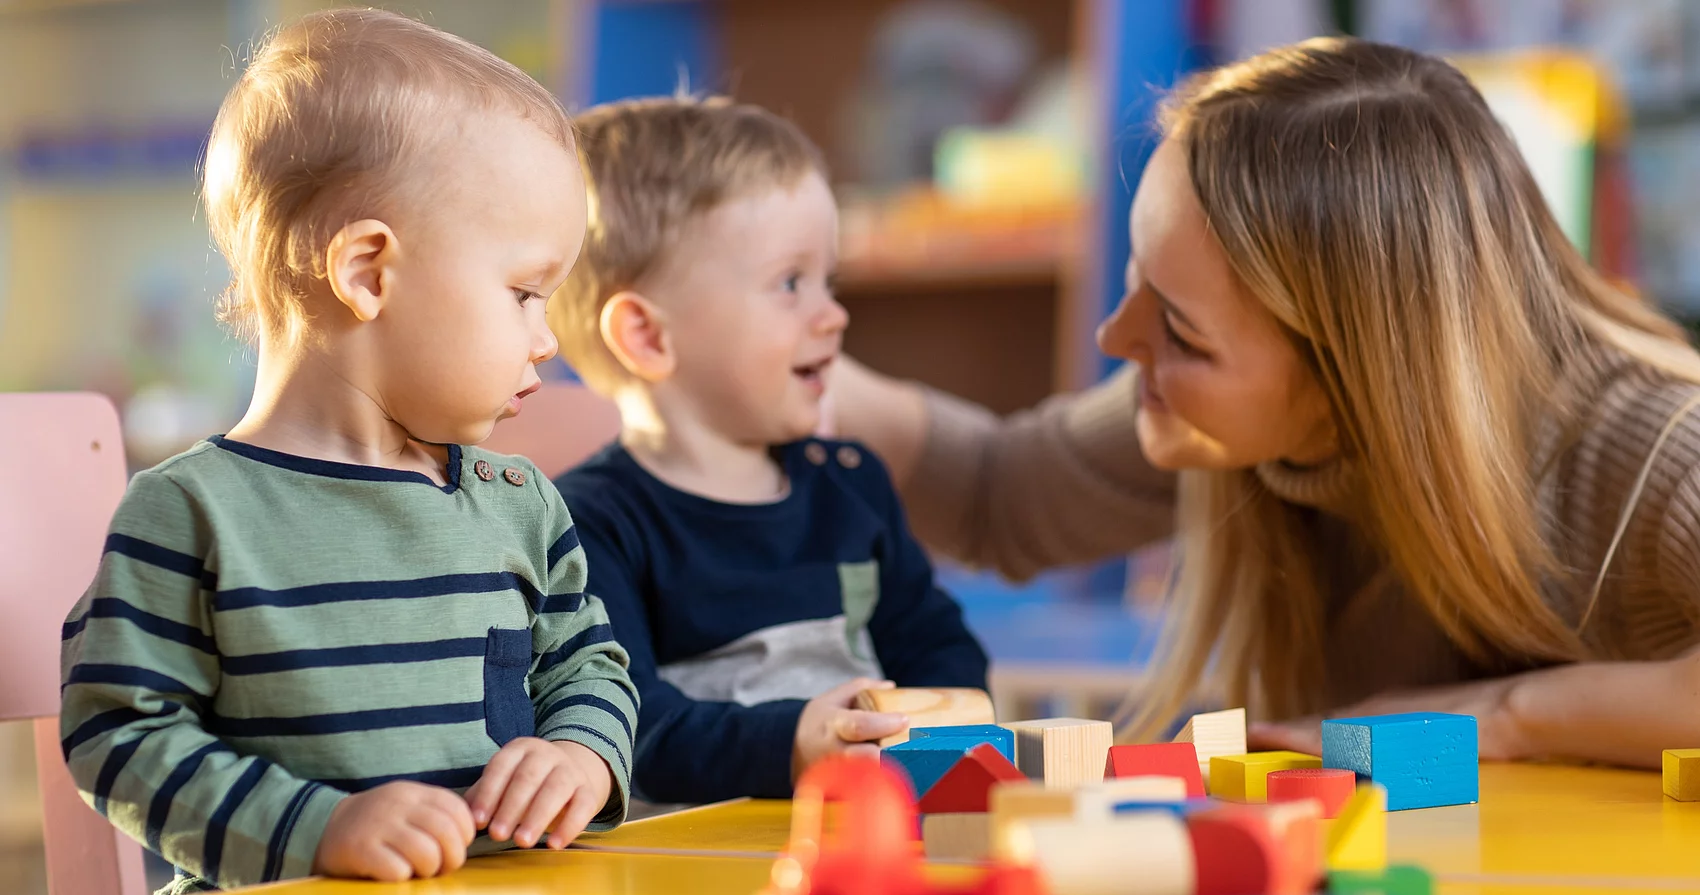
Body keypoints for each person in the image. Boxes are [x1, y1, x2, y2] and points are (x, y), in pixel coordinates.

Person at [832, 36, 1700, 770]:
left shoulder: (1650, 446)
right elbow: (1001, 492)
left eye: (1180, 328)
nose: (1115, 339)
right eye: (1139, 280)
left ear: (1354, 385)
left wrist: (1501, 716)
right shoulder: (1225, 419)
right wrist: (779, 357)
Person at [58, 10, 637, 891]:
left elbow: (588, 663)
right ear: (369, 271)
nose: (548, 338)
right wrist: (318, 828)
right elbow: (119, 734)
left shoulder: (519, 501)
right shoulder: (187, 514)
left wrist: (582, 754)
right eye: (524, 292)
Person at [550, 97, 990, 804]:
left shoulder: (851, 484)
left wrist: (951, 712)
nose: (834, 313)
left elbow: (936, 641)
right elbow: (629, 726)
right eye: (791, 283)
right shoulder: (587, 525)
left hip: (864, 836)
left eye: (830, 280)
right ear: (648, 336)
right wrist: (794, 746)